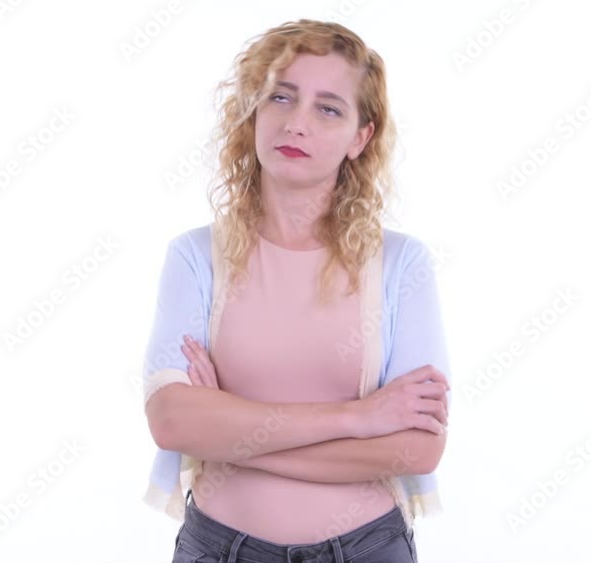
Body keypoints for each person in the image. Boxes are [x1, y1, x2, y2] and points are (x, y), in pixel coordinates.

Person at [142, 18, 452, 563]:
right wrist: (358, 419)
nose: (296, 123)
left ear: (361, 137)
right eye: (280, 97)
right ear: (253, 113)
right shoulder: (194, 257)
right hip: (220, 550)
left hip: (367, 550)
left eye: (328, 108)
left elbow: (417, 449)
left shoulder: (403, 265)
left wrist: (229, 436)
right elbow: (172, 421)